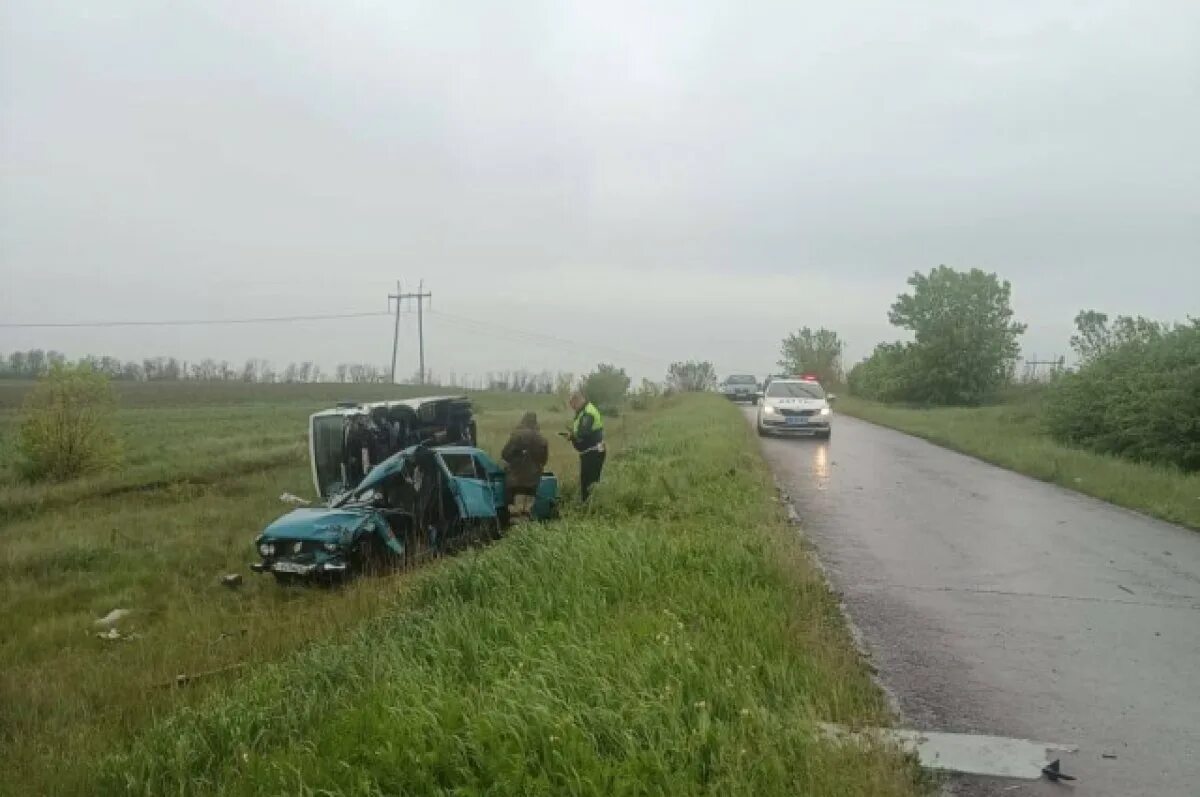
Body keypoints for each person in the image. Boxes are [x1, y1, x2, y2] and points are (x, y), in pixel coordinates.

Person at [501, 412, 549, 514]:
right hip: (533, 483)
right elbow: (544, 461)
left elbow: (505, 454)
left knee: (515, 512)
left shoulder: (517, 435)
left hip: (516, 481)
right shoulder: (542, 440)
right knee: (526, 512)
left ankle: (516, 528)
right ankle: (524, 529)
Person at [566, 391, 605, 501]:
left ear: (577, 401)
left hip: (594, 451)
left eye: (573, 405)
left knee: (589, 482)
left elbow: (584, 432)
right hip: (591, 451)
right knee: (587, 481)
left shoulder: (588, 413)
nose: (573, 408)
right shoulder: (584, 410)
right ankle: (588, 505)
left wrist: (572, 436)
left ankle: (589, 507)